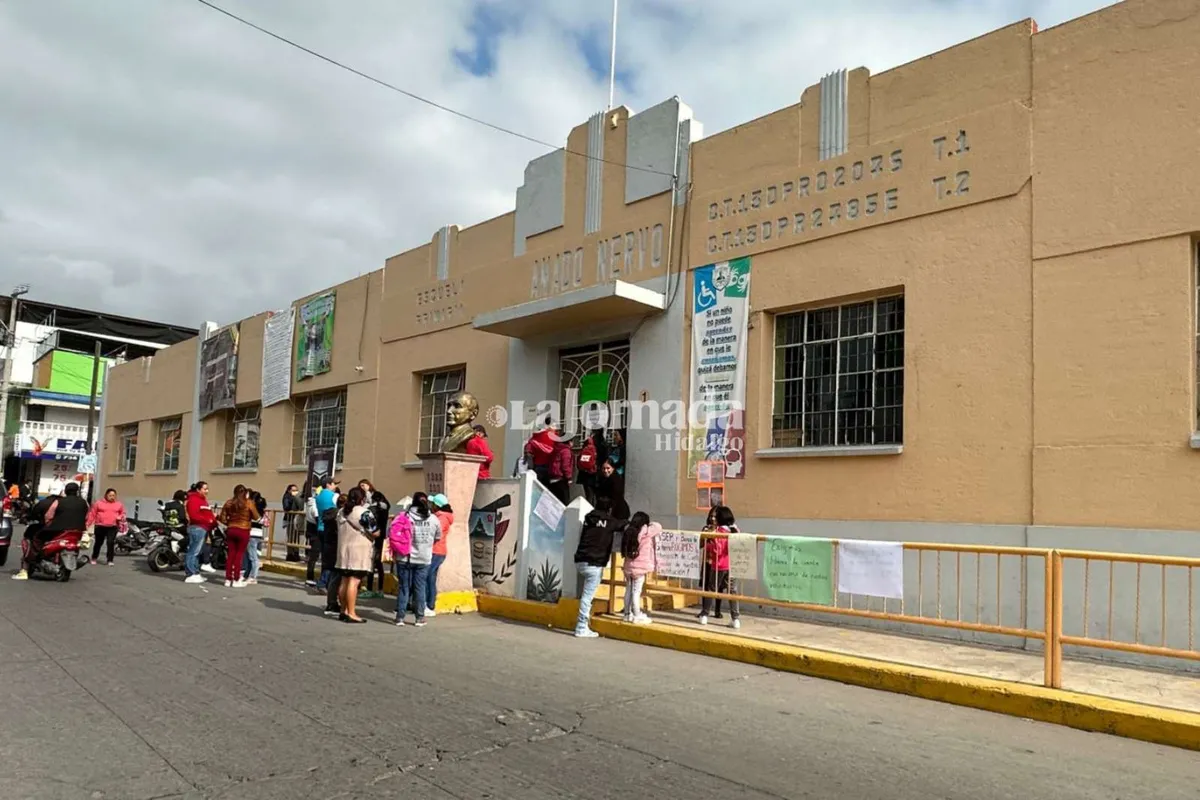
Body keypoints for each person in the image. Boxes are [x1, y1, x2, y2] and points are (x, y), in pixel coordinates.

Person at [573, 495, 624, 638]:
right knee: (587, 597)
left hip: (580, 559)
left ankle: (582, 625)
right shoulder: (610, 521)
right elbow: (622, 524)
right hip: (594, 563)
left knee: (585, 595)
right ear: (609, 509)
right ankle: (581, 627)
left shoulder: (589, 518)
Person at [393, 492, 441, 627]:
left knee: (404, 588)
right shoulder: (433, 519)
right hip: (423, 557)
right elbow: (438, 537)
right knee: (420, 588)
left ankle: (400, 617)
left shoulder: (405, 516)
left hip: (404, 557)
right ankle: (419, 618)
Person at [335, 486, 380, 623]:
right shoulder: (363, 512)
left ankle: (343, 610)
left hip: (343, 550)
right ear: (362, 499)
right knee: (354, 582)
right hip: (358, 551)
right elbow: (375, 531)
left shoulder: (342, 512)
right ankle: (352, 612)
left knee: (344, 580)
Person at [698, 505, 740, 629]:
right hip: (732, 566)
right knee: (732, 592)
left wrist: (709, 543)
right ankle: (735, 618)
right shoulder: (735, 531)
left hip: (718, 566)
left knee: (711, 590)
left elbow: (715, 549)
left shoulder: (718, 533)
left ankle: (705, 614)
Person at [11, 489, 65, 580]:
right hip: (64, 531)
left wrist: (27, 518)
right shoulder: (67, 504)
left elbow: (33, 514)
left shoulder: (44, 503)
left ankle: (25, 568)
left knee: (32, 540)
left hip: (48, 530)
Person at [620, 511, 661, 624]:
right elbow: (658, 527)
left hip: (628, 566)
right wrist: (648, 524)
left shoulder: (629, 531)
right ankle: (637, 614)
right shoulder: (647, 532)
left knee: (628, 590)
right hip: (640, 567)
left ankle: (627, 614)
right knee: (636, 592)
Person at [217, 485, 259, 588]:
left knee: (231, 554)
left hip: (231, 529)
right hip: (244, 530)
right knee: (239, 555)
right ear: (245, 493)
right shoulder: (248, 503)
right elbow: (256, 517)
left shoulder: (229, 502)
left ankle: (228, 579)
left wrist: (230, 523)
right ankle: (236, 579)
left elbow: (222, 518)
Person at [358, 479, 391, 599]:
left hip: (374, 536)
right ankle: (377, 589)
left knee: (373, 562)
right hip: (379, 535)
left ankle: (372, 588)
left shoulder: (373, 507)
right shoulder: (383, 509)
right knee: (376, 562)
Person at [184, 482, 217, 584]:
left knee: (197, 552)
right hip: (197, 528)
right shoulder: (194, 500)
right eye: (204, 489)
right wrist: (208, 520)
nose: (206, 491)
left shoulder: (202, 500)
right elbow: (194, 515)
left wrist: (212, 520)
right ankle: (191, 573)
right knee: (193, 551)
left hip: (203, 528)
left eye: (207, 489)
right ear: (198, 490)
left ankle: (195, 572)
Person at [426, 494, 453, 617]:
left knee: (429, 578)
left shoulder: (441, 518)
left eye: (432, 504)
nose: (430, 505)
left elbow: (437, 534)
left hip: (436, 550)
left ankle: (429, 604)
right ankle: (428, 604)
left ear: (436, 505)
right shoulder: (441, 517)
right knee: (430, 578)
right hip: (437, 551)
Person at [86, 488, 127, 567]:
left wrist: (120, 517)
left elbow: (123, 513)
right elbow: (92, 514)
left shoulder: (119, 504)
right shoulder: (99, 503)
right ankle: (94, 557)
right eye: (110, 495)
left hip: (112, 526)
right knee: (98, 543)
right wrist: (87, 524)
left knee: (110, 542)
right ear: (106, 495)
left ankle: (110, 560)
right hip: (100, 526)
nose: (112, 497)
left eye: (114, 495)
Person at [315, 478, 340, 591]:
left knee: (325, 557)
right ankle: (324, 582)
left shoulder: (318, 496)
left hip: (320, 526)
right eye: (334, 484)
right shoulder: (335, 496)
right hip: (331, 528)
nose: (335, 487)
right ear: (328, 484)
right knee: (331, 558)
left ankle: (323, 581)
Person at [575, 429, 607, 506]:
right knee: (595, 496)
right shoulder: (602, 443)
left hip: (584, 473)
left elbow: (580, 458)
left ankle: (588, 513)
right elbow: (605, 457)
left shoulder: (587, 443)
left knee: (588, 495)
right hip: (596, 473)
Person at [244, 489, 267, 584]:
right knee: (252, 556)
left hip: (252, 534)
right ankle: (248, 575)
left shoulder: (252, 510)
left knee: (253, 557)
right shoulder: (262, 511)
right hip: (259, 534)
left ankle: (253, 577)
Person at [548, 434, 573, 505]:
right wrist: (569, 478)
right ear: (569, 442)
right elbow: (565, 466)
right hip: (561, 479)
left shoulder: (556, 449)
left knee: (555, 503)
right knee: (564, 503)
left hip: (552, 478)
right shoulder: (565, 451)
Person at [303, 488, 321, 586]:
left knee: (312, 557)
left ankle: (309, 577)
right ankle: (310, 578)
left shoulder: (309, 504)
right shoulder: (315, 506)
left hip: (311, 532)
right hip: (316, 533)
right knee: (314, 557)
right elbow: (317, 519)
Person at [281, 484, 303, 562]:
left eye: (296, 490)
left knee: (296, 537)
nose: (295, 492)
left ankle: (296, 553)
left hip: (296, 519)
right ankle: (290, 554)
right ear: (289, 490)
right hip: (290, 519)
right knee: (291, 537)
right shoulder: (287, 497)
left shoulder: (298, 497)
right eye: (293, 490)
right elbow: (286, 507)